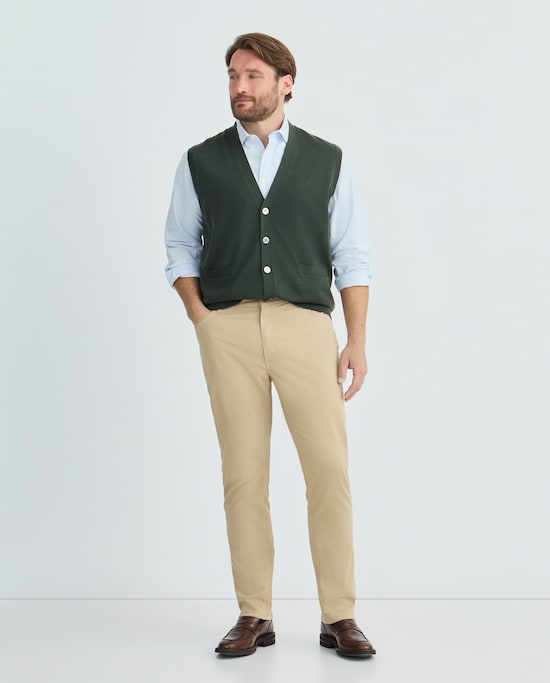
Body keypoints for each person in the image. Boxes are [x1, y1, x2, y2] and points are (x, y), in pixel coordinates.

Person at [164, 32, 376, 659]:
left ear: (286, 83)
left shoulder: (326, 160)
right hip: (226, 328)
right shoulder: (201, 161)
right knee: (243, 474)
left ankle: (339, 614)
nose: (240, 87)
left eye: (253, 75)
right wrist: (201, 317)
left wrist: (356, 340)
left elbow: (352, 254)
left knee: (328, 470)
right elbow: (179, 244)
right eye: (233, 75)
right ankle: (254, 613)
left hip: (306, 326)